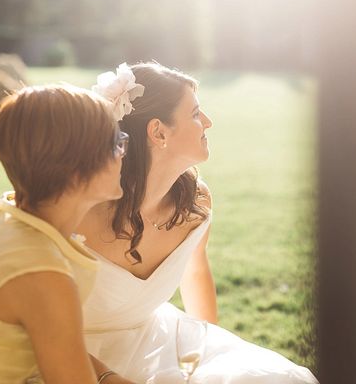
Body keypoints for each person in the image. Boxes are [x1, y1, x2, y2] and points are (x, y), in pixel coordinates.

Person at [76, 63, 318, 383]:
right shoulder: (79, 209)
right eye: (194, 114)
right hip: (73, 351)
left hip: (156, 339)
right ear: (158, 132)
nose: (208, 122)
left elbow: (196, 272)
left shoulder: (196, 201)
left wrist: (210, 353)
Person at [0, 84, 134, 384]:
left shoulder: (8, 219)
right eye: (116, 143)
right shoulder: (41, 271)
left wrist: (109, 377)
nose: (123, 154)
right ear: (75, 168)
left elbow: (56, 346)